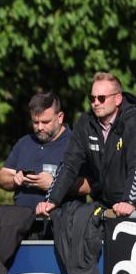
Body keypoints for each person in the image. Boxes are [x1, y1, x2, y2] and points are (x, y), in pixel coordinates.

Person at [37, 72, 136, 218]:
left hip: (129, 206)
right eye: (92, 98)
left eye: (101, 98)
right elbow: (69, 165)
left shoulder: (131, 122)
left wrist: (130, 201)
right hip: (104, 206)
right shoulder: (85, 124)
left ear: (118, 99)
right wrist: (52, 200)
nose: (95, 103)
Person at [0, 92, 88, 238]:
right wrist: (15, 179)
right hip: (22, 229)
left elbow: (88, 185)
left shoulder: (75, 144)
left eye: (45, 122)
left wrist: (56, 185)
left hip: (60, 230)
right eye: (35, 122)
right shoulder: (24, 143)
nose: (39, 127)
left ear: (60, 117)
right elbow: (2, 177)